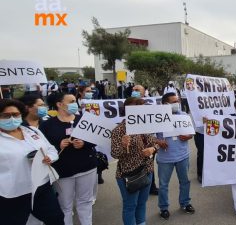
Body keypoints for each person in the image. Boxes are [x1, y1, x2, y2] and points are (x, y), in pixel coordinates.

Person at [0, 99, 64, 225]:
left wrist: (49, 157)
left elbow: (50, 149)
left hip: (42, 186)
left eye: (16, 114)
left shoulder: (32, 131)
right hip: (13, 193)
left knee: (56, 218)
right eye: (6, 116)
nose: (12, 118)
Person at [39, 93, 98, 225]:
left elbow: (95, 140)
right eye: (71, 101)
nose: (74, 104)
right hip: (63, 172)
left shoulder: (83, 119)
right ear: (59, 104)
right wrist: (57, 145)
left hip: (87, 168)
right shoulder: (47, 125)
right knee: (65, 206)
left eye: (74, 101)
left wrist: (84, 144)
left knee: (85, 202)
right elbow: (42, 148)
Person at [111, 97, 166, 225]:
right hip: (129, 174)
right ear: (128, 110)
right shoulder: (119, 130)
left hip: (147, 171)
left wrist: (153, 148)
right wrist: (124, 145)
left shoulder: (144, 126)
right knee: (130, 206)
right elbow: (115, 154)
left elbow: (155, 144)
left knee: (141, 204)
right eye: (138, 108)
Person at [157, 93, 196, 220]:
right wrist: (158, 141)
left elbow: (191, 133)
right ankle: (164, 208)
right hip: (165, 158)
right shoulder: (156, 117)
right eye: (173, 101)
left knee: (185, 181)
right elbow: (148, 137)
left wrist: (188, 136)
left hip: (182, 156)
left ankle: (185, 203)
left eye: (177, 101)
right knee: (163, 185)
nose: (177, 103)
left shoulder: (184, 115)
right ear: (165, 104)